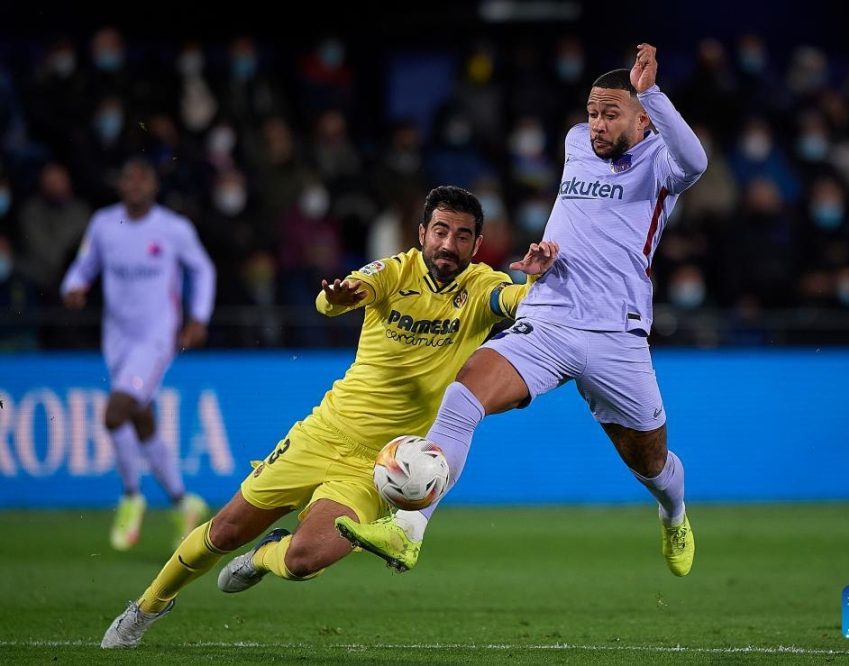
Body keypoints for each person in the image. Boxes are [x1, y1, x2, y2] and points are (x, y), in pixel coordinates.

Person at [100, 185, 558, 649]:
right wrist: (339, 297)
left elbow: (515, 301)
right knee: (223, 532)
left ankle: (263, 558)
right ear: (422, 233)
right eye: (440, 231)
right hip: (326, 433)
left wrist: (537, 282)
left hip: (380, 466)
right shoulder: (394, 272)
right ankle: (147, 606)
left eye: (463, 236)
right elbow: (339, 297)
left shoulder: (481, 287)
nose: (448, 244)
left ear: (477, 245)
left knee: (302, 561)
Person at [337, 43, 708, 578]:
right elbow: (579, 220)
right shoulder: (576, 143)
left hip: (616, 335)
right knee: (464, 394)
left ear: (643, 116)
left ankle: (673, 515)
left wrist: (650, 90)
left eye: (611, 113)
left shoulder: (663, 166)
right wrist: (543, 258)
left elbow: (696, 161)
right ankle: (407, 532)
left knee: (650, 464)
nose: (597, 124)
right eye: (592, 111)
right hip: (548, 315)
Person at [61, 158, 214, 552]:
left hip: (156, 335)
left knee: (115, 411)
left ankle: (131, 496)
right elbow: (86, 264)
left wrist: (198, 317)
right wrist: (74, 285)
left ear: (154, 186)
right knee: (140, 414)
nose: (134, 185)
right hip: (116, 337)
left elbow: (202, 269)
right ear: (120, 185)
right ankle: (183, 500)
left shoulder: (172, 228)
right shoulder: (104, 224)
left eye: (142, 179)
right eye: (128, 178)